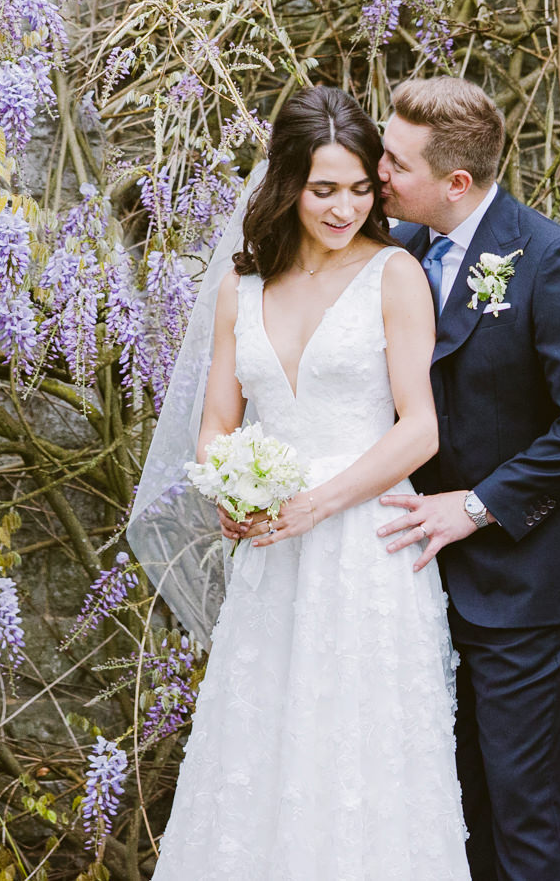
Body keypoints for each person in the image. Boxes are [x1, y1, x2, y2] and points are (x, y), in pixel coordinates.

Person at [145, 86, 470, 879]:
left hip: (363, 546)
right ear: (287, 182)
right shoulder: (241, 285)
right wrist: (231, 489)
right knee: (259, 749)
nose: (343, 206)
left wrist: (315, 504)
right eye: (324, 188)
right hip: (271, 554)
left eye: (361, 188)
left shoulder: (394, 273)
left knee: (358, 761)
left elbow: (418, 427)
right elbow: (218, 419)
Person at [374, 76, 560, 881]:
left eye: (393, 160)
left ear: (457, 182)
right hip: (418, 574)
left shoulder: (553, 260)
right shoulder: (404, 251)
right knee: (449, 794)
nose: (377, 171)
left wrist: (480, 504)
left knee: (521, 793)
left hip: (521, 577)